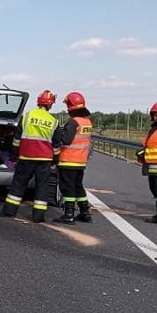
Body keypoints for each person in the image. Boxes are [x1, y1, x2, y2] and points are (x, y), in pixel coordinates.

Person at [0, 90, 61, 223]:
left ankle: (9, 212)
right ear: (50, 104)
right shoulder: (53, 121)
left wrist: (14, 155)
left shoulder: (27, 116)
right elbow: (56, 145)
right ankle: (38, 217)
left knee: (18, 184)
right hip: (45, 160)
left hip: (26, 157)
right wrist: (56, 161)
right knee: (42, 187)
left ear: (38, 102)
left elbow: (17, 140)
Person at [53, 92, 94, 224]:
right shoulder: (87, 122)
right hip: (80, 161)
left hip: (68, 160)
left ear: (71, 106)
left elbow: (66, 140)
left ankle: (68, 214)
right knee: (78, 187)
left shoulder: (73, 122)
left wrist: (58, 132)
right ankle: (85, 213)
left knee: (67, 188)